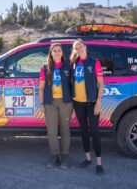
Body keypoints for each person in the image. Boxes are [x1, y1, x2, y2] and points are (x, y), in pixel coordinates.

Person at [70, 39, 105, 175]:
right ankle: (88, 158)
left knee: (95, 132)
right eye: (76, 48)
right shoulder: (74, 64)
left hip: (91, 102)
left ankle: (99, 163)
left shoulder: (94, 62)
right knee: (83, 130)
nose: (79, 49)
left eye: (80, 46)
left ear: (85, 47)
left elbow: (101, 84)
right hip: (78, 103)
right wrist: (73, 106)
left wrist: (98, 102)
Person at [39, 43, 73, 169]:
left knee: (65, 130)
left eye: (59, 50)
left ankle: (65, 157)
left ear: (62, 53)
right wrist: (42, 104)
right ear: (51, 53)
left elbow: (72, 86)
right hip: (50, 103)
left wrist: (73, 104)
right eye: (54, 51)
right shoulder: (45, 68)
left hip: (66, 103)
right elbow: (41, 88)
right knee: (52, 131)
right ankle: (55, 157)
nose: (57, 53)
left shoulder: (68, 66)